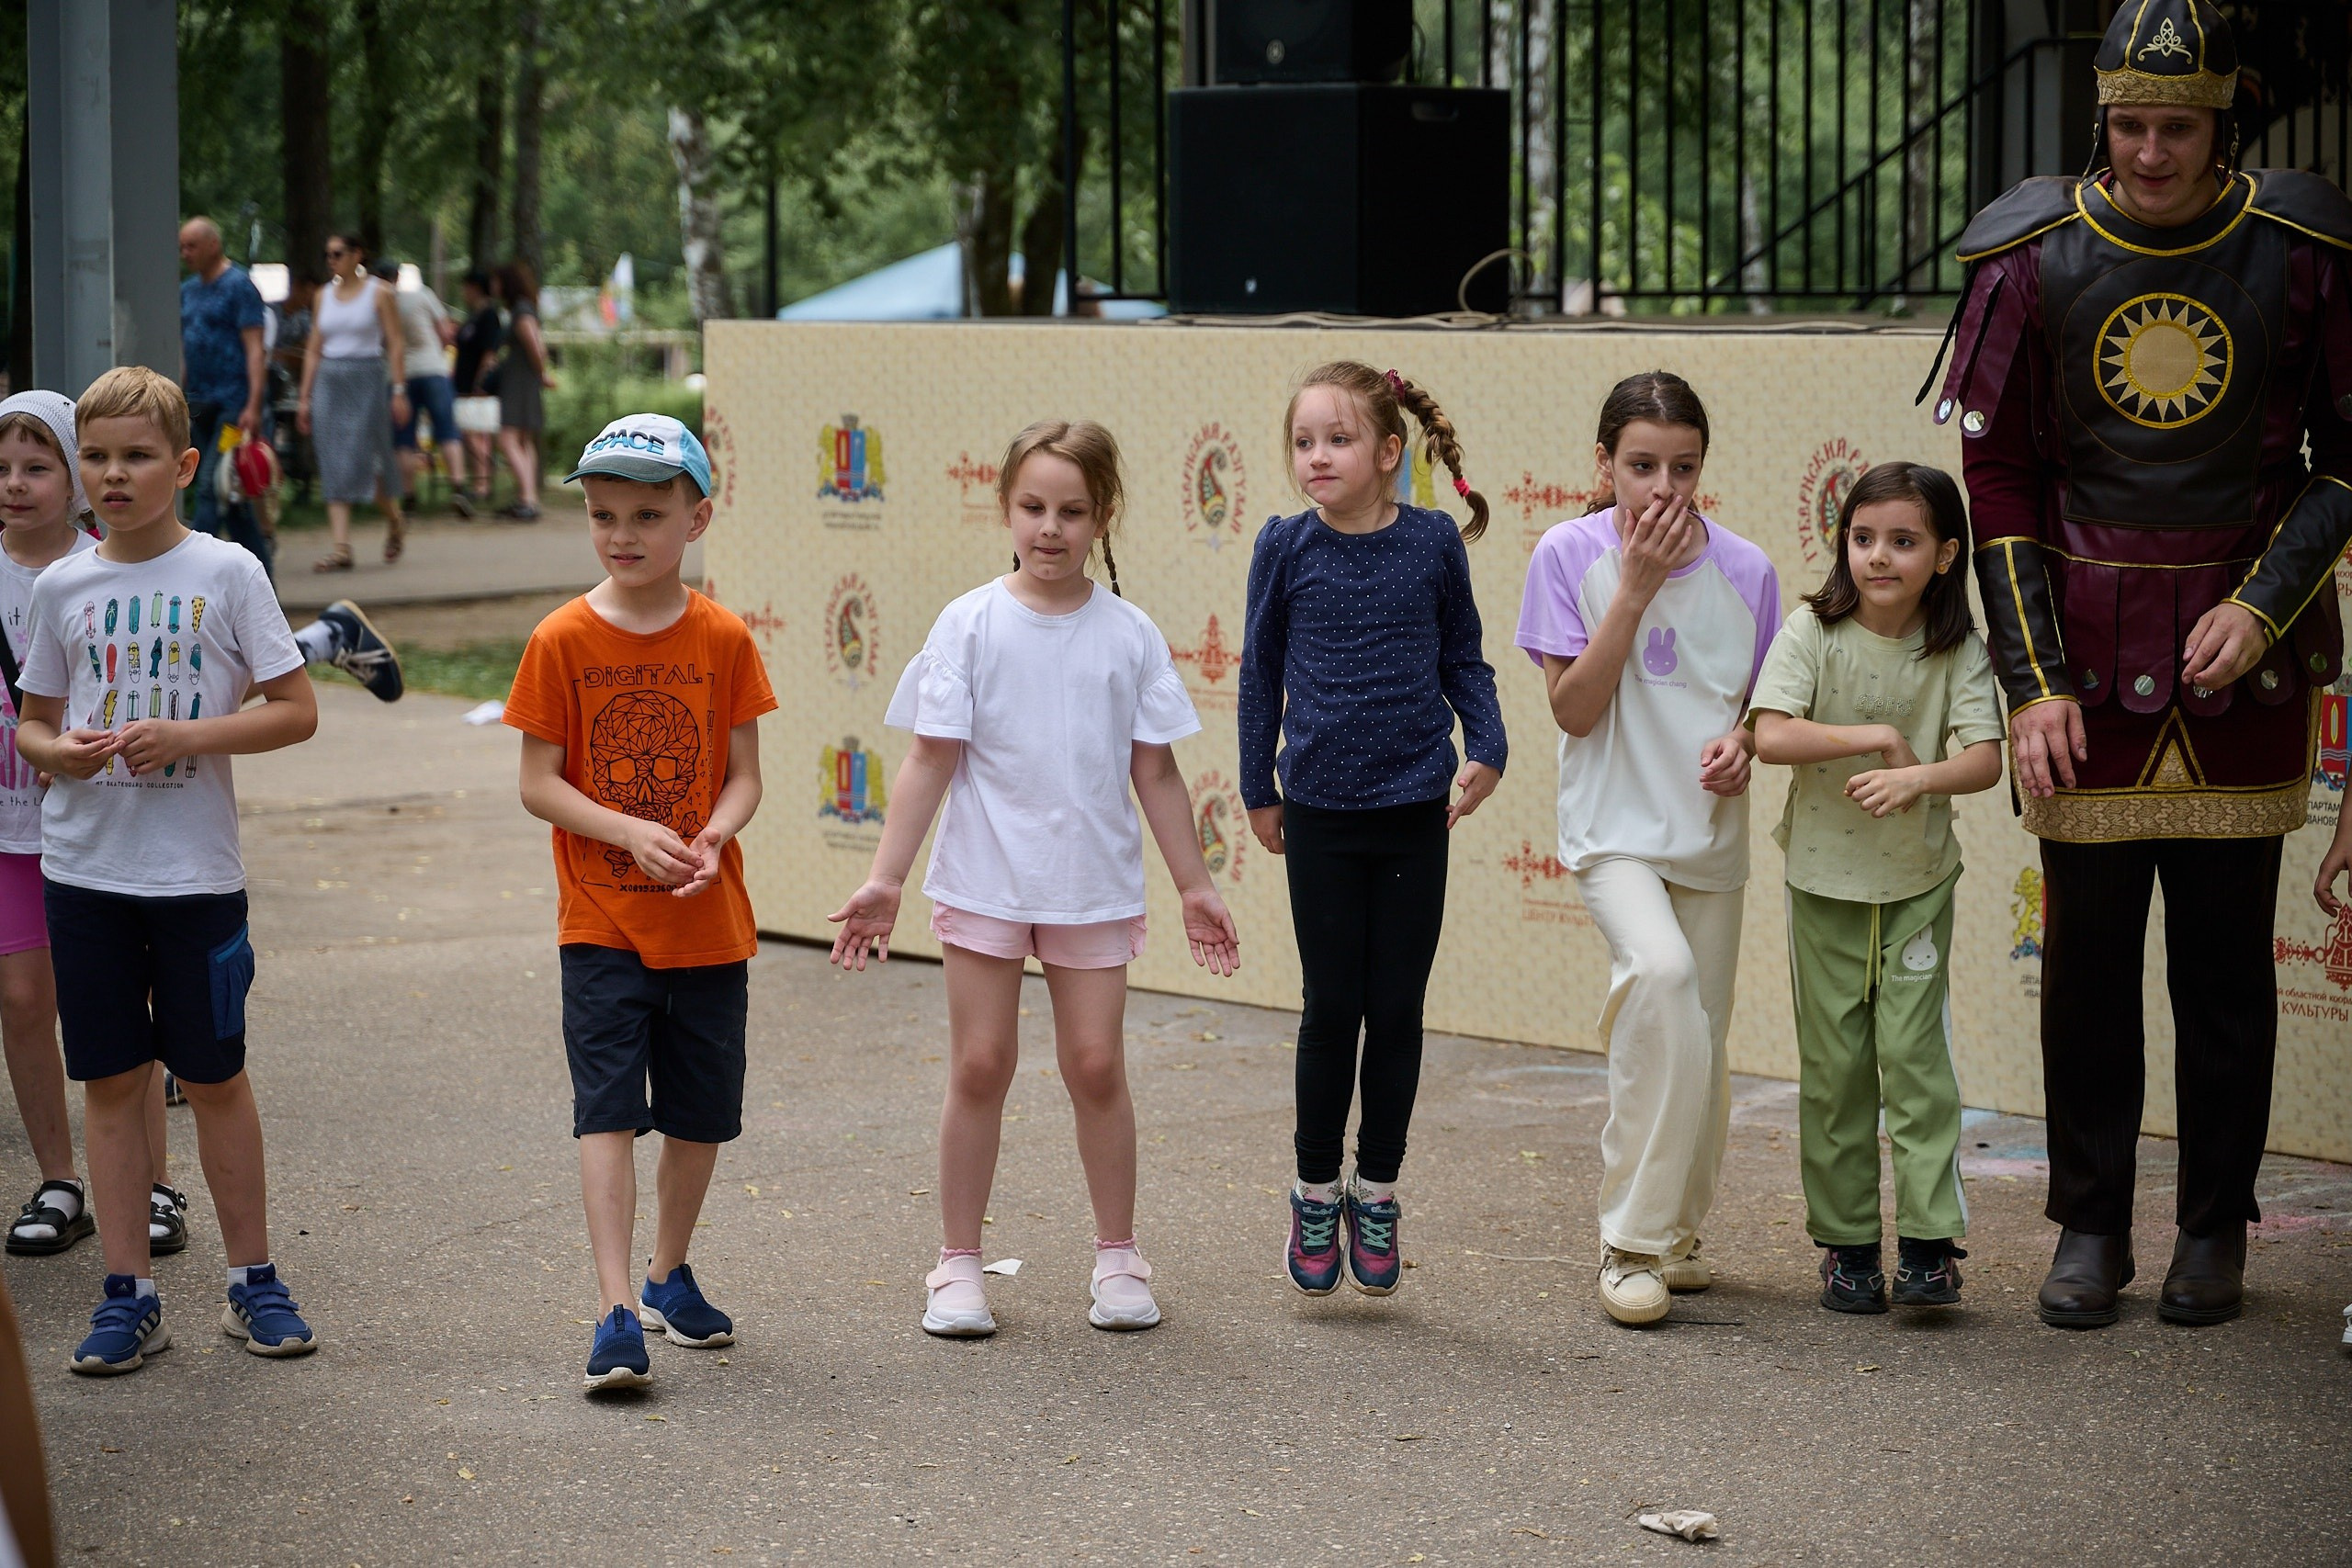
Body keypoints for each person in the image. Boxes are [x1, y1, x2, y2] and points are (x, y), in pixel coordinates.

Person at [1928, 0, 2352, 1329]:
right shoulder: (2032, 254)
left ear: (2226, 124)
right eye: (2129, 125)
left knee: (2227, 970)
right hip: (2082, 670)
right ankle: (2092, 1224)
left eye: (2177, 128)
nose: (2151, 151)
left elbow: (2342, 458)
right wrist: (2031, 676)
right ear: (2098, 120)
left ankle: (2213, 1229)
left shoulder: (2301, 252)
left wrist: (2268, 604)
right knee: (2090, 968)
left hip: (2248, 665)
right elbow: (1997, 483)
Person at [830, 420, 1240, 1338]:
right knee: (981, 1064)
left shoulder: (1130, 635)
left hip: (1091, 886)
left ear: (1102, 517)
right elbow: (928, 760)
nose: (1049, 528)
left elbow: (1158, 775)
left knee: (1095, 1066)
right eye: (1032, 507)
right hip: (984, 882)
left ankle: (1118, 1258)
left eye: (1071, 510)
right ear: (1005, 508)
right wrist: (886, 878)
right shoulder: (967, 623)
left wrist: (1195, 886)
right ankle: (957, 1266)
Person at [15, 366, 322, 1374]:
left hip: (195, 878)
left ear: (184, 466)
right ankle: (126, 1293)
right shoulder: (61, 587)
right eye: (94, 457)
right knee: (110, 1082)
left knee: (217, 1076)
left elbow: (294, 708)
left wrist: (188, 732)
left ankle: (253, 1282)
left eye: (137, 456)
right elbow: (37, 726)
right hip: (86, 875)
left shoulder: (228, 573)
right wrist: (57, 755)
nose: (112, 474)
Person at [503, 414, 775, 1393]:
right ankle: (615, 1305)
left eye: (648, 515)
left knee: (701, 1117)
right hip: (601, 924)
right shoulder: (561, 638)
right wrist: (624, 831)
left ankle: (668, 1275)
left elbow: (744, 775)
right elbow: (539, 781)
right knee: (606, 1113)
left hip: (708, 922)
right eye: (605, 513)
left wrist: (714, 834)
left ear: (697, 518)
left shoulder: (724, 636)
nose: (624, 533)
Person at [1514, 371, 1779, 1326]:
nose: (1662, 487)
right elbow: (1574, 711)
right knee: (1660, 983)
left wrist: (1744, 744)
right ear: (1602, 464)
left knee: (1698, 1045)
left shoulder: (1748, 570)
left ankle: (1675, 1237)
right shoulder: (1565, 554)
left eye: (1683, 467)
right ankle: (1627, 1242)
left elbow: (1761, 714)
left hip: (1708, 837)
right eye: (1639, 466)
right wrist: (1631, 588)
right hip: (1612, 832)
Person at [1239, 362, 1506, 1300]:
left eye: (1338, 439)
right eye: (1304, 441)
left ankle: (1378, 1190)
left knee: (1394, 1009)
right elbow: (1257, 671)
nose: (1317, 456)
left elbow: (1462, 656)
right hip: (1315, 811)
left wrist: (1492, 745)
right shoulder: (1283, 545)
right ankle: (1316, 1191)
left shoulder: (1432, 543)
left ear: (1389, 452)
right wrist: (1256, 790)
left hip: (1411, 812)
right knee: (1330, 1007)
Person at [1748, 462, 2006, 1314]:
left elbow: (1985, 758)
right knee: (1835, 1068)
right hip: (1822, 882)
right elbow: (1771, 735)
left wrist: (1917, 778)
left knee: (1913, 1058)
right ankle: (1849, 1245)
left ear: (1945, 554)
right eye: (1863, 539)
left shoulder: (1959, 648)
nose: (1879, 557)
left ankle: (1931, 1245)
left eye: (1903, 540)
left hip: (1917, 883)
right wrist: (1878, 737)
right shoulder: (1812, 631)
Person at [297, 232, 409, 572]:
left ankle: (394, 518)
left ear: (356, 255)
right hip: (330, 378)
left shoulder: (379, 292)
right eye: (327, 254)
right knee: (333, 459)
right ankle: (341, 547)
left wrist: (400, 390)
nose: (332, 260)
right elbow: (314, 347)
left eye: (338, 253)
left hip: (367, 377)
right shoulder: (322, 296)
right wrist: (305, 397)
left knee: (366, 460)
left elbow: (396, 342)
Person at [176, 216, 276, 576]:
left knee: (209, 488)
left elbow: (255, 349)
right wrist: (177, 398)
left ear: (213, 245)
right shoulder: (187, 291)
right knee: (233, 501)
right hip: (199, 403)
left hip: (234, 406)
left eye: (192, 246)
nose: (185, 254)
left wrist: (252, 404)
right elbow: (185, 349)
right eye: (181, 247)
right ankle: (263, 579)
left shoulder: (239, 287)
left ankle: (189, 573)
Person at [373, 260, 469, 519]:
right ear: (398, 276)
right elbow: (444, 331)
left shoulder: (377, 304)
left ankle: (410, 497)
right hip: (432, 369)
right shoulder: (422, 295)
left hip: (397, 377)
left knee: (403, 439)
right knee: (447, 431)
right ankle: (458, 488)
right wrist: (440, 351)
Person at [492, 261, 554, 521]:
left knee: (507, 440)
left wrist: (541, 373)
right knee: (524, 441)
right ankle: (528, 499)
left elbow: (534, 343)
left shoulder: (521, 311)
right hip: (525, 381)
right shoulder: (524, 308)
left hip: (519, 382)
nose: (493, 286)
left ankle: (527, 499)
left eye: (496, 281)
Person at [450, 270, 503, 509]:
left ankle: (483, 484)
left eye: (466, 287)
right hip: (461, 385)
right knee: (468, 432)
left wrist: (481, 381)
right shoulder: (473, 316)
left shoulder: (489, 316)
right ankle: (479, 481)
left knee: (477, 434)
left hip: (477, 386)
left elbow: (489, 352)